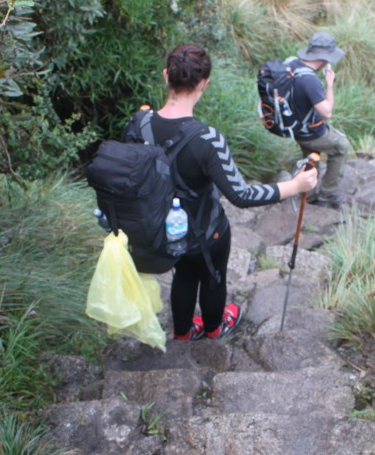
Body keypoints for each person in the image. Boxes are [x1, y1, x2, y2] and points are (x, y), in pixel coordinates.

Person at [133, 44, 317, 341]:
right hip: (206, 232)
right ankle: (214, 327)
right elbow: (241, 196)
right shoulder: (207, 139)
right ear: (204, 83)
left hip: (161, 227)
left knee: (183, 275)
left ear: (166, 75)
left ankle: (181, 332)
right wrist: (295, 186)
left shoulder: (139, 123)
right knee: (212, 277)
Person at [283, 32, 350, 209]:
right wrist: (329, 84)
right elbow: (326, 112)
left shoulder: (291, 64)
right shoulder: (310, 81)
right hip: (310, 132)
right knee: (341, 147)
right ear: (324, 58)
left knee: (311, 158)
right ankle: (328, 194)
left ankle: (308, 194)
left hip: (295, 127)